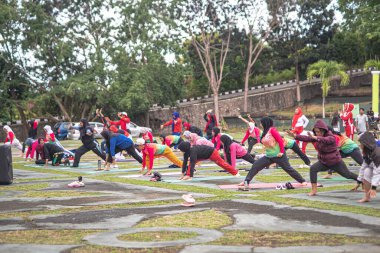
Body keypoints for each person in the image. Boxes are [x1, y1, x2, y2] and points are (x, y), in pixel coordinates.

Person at [289, 119, 359, 196]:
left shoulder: (331, 136)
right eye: (315, 131)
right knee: (313, 168)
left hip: (335, 162)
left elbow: (326, 140)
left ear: (323, 130)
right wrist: (295, 136)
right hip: (324, 162)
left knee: (347, 175)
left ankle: (362, 180)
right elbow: (307, 138)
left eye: (318, 131)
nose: (317, 133)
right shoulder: (316, 136)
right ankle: (314, 190)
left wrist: (315, 137)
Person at [239, 117, 307, 190]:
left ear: (265, 123)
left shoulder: (272, 130)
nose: (260, 124)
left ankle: (302, 181)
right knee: (256, 165)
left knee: (288, 169)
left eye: (261, 123)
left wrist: (281, 152)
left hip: (278, 155)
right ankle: (246, 181)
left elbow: (280, 141)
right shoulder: (265, 131)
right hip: (269, 155)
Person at [352, 132, 380, 202]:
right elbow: (363, 167)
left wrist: (373, 187)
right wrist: (358, 182)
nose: (359, 145)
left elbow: (377, 173)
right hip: (377, 172)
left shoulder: (377, 154)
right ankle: (367, 197)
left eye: (361, 143)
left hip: (378, 172)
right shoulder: (367, 153)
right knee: (367, 171)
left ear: (366, 144)